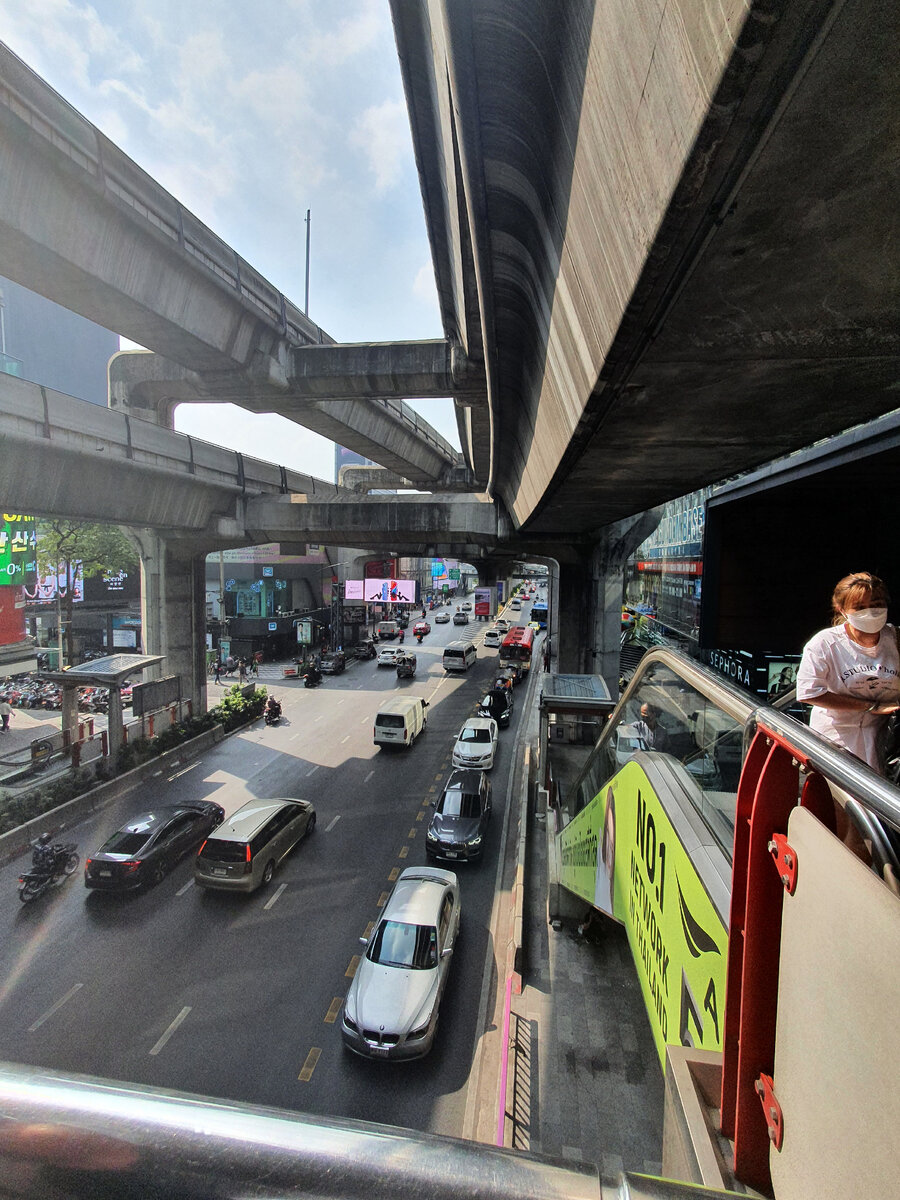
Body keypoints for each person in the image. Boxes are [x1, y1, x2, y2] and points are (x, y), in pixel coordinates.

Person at [796, 571, 900, 774]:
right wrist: (871, 707)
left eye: (877, 603)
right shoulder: (825, 643)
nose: (870, 612)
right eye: (860, 607)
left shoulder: (896, 639)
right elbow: (809, 692)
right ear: (842, 609)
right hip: (836, 740)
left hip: (886, 741)